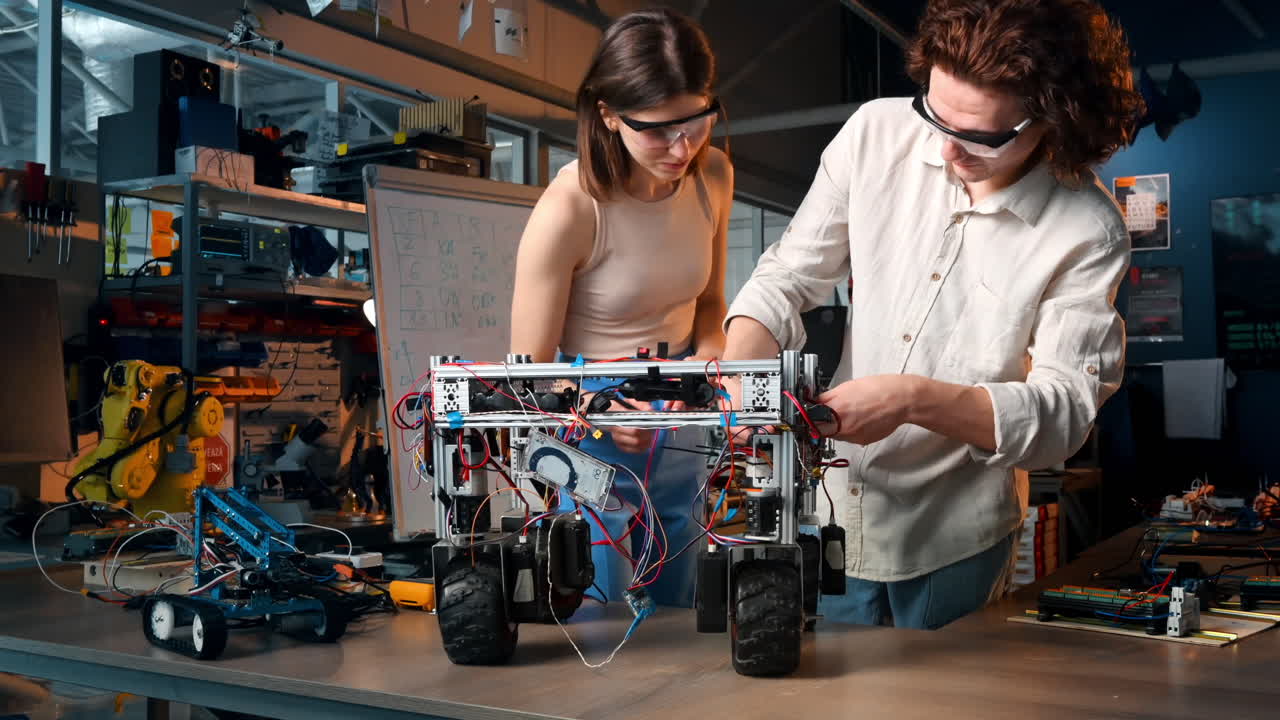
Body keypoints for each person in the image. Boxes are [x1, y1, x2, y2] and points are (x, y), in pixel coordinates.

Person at [721, 0, 1144, 629]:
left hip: (956, 539)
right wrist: (741, 376)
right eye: (935, 116)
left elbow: (1061, 414)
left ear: (1056, 120)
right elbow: (788, 276)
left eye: (979, 137)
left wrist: (913, 399)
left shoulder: (1087, 228)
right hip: (835, 511)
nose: (947, 151)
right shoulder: (875, 133)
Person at [509, 8, 733, 607]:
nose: (682, 147)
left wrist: (712, 369)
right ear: (608, 114)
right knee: (594, 592)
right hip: (592, 411)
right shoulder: (571, 208)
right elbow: (526, 373)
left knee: (683, 574)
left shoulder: (713, 173)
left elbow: (709, 302)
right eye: (659, 130)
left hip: (684, 392)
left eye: (697, 121)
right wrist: (600, 407)